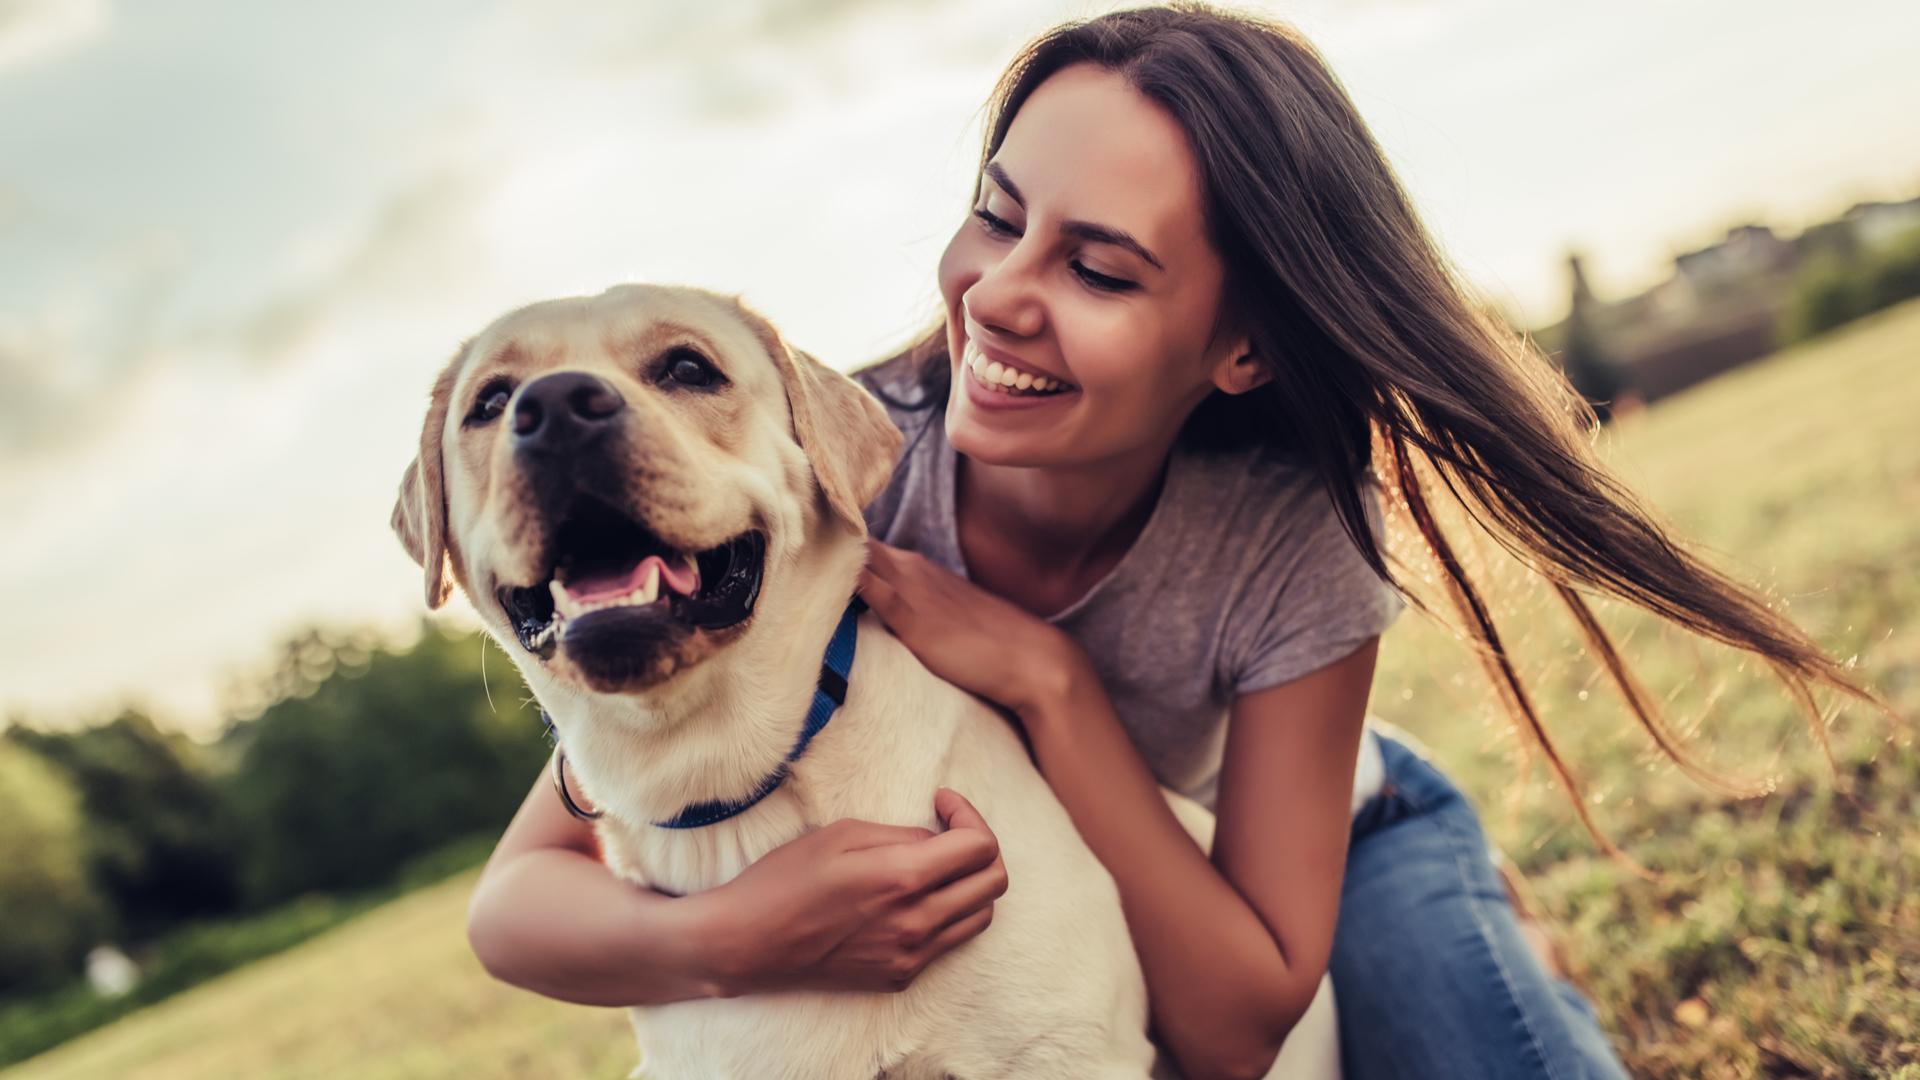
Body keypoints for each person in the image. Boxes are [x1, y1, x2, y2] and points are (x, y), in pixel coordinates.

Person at [466, 6, 1872, 1078]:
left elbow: (1233, 1022)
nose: (996, 300)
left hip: (1326, 855)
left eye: (1097, 267)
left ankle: (1490, 925)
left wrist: (1050, 684)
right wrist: (738, 937)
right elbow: (524, 897)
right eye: (996, 220)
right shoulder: (826, 474)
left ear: (1243, 344)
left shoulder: (1292, 537)